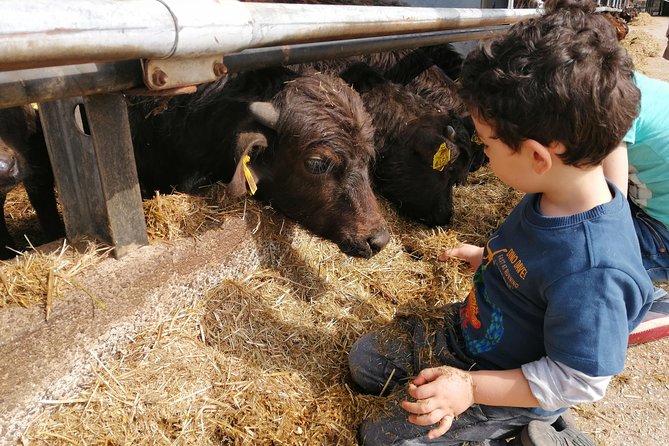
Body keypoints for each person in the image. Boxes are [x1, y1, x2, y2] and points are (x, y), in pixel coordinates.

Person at [347, 0, 654, 445]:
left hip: (513, 385)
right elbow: (533, 258)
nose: (485, 156)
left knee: (382, 438)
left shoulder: (595, 271)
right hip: (470, 334)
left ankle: (529, 433)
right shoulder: (560, 187)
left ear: (536, 156)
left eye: (488, 144)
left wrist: (470, 388)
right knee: (365, 361)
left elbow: (581, 379)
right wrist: (489, 258)